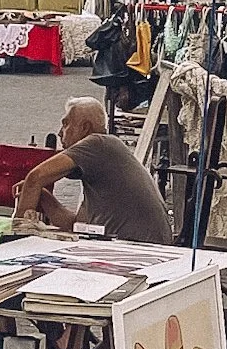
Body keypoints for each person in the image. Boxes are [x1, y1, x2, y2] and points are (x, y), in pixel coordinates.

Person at [14, 96, 173, 243]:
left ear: (85, 128)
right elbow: (76, 225)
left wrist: (15, 236)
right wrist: (44, 197)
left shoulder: (97, 143)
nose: (60, 132)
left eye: (66, 124)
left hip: (139, 246)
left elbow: (35, 178)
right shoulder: (100, 163)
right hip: (142, 243)